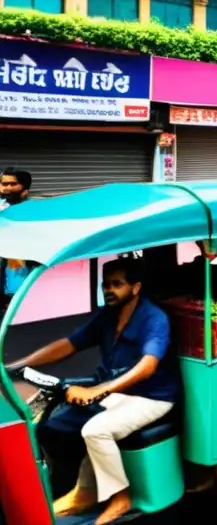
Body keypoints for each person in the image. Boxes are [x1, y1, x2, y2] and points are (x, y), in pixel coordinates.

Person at [4, 258, 179, 524]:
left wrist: (98, 390)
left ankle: (121, 498)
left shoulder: (154, 319)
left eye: (117, 284)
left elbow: (147, 367)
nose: (109, 289)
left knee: (95, 430)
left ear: (135, 287)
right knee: (51, 426)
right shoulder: (106, 315)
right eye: (105, 284)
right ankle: (75, 486)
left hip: (150, 396)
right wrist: (16, 365)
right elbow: (69, 344)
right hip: (114, 391)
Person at [0, 168, 33, 315]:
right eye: (3, 184)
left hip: (18, 268)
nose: (7, 188)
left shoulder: (34, 212)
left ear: (25, 189)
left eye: (12, 184)